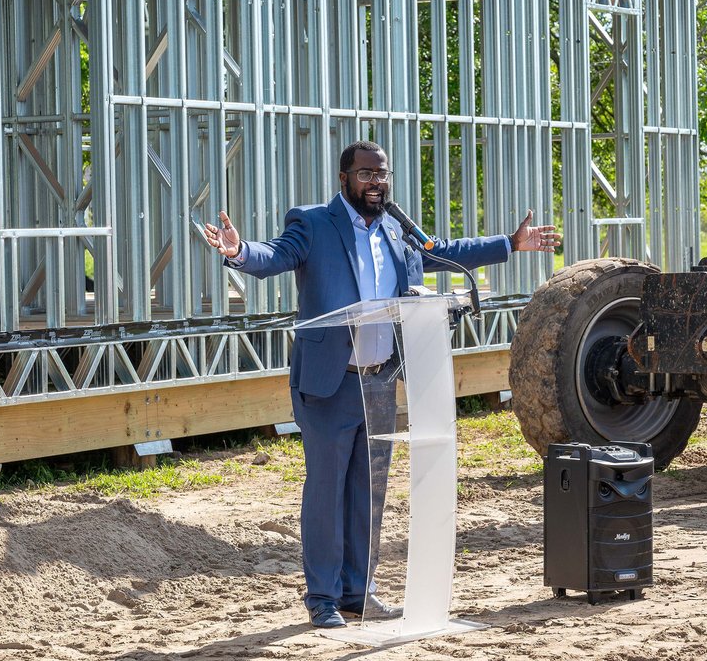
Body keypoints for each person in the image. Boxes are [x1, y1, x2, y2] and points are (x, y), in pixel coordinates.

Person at [204, 140, 561, 628]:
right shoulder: (313, 223)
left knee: (367, 493)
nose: (376, 182)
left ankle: (359, 591)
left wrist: (509, 244)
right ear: (344, 178)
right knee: (327, 491)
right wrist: (239, 251)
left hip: (380, 381)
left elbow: (443, 252)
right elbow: (275, 255)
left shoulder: (397, 229)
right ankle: (323, 598)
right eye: (366, 173)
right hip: (330, 383)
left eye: (382, 173)